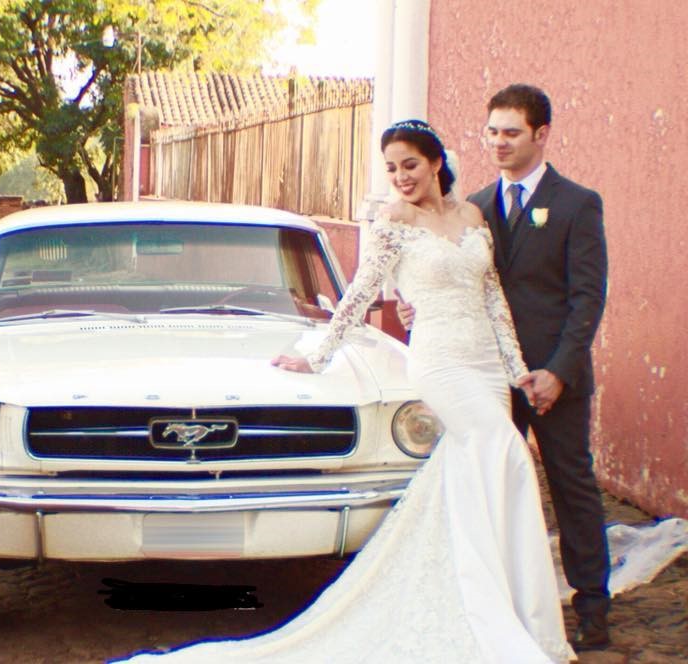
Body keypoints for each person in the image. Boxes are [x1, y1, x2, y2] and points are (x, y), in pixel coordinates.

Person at [114, 120, 576, 663]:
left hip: (487, 369)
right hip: (441, 361)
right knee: (509, 452)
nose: (401, 177)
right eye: (391, 168)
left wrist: (517, 369)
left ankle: (503, 604)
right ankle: (488, 609)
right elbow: (358, 292)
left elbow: (493, 298)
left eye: (410, 164)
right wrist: (318, 354)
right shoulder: (394, 222)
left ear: (435, 163)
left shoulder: (472, 217)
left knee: (481, 473)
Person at [399, 84, 611, 651]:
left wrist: (558, 371)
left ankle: (592, 605)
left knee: (571, 485)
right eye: (491, 131)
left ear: (542, 134)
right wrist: (415, 304)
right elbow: (449, 277)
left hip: (553, 374)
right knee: (489, 485)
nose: (498, 142)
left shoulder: (578, 203)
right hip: (484, 376)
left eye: (511, 133)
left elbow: (588, 297)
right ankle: (498, 604)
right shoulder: (473, 205)